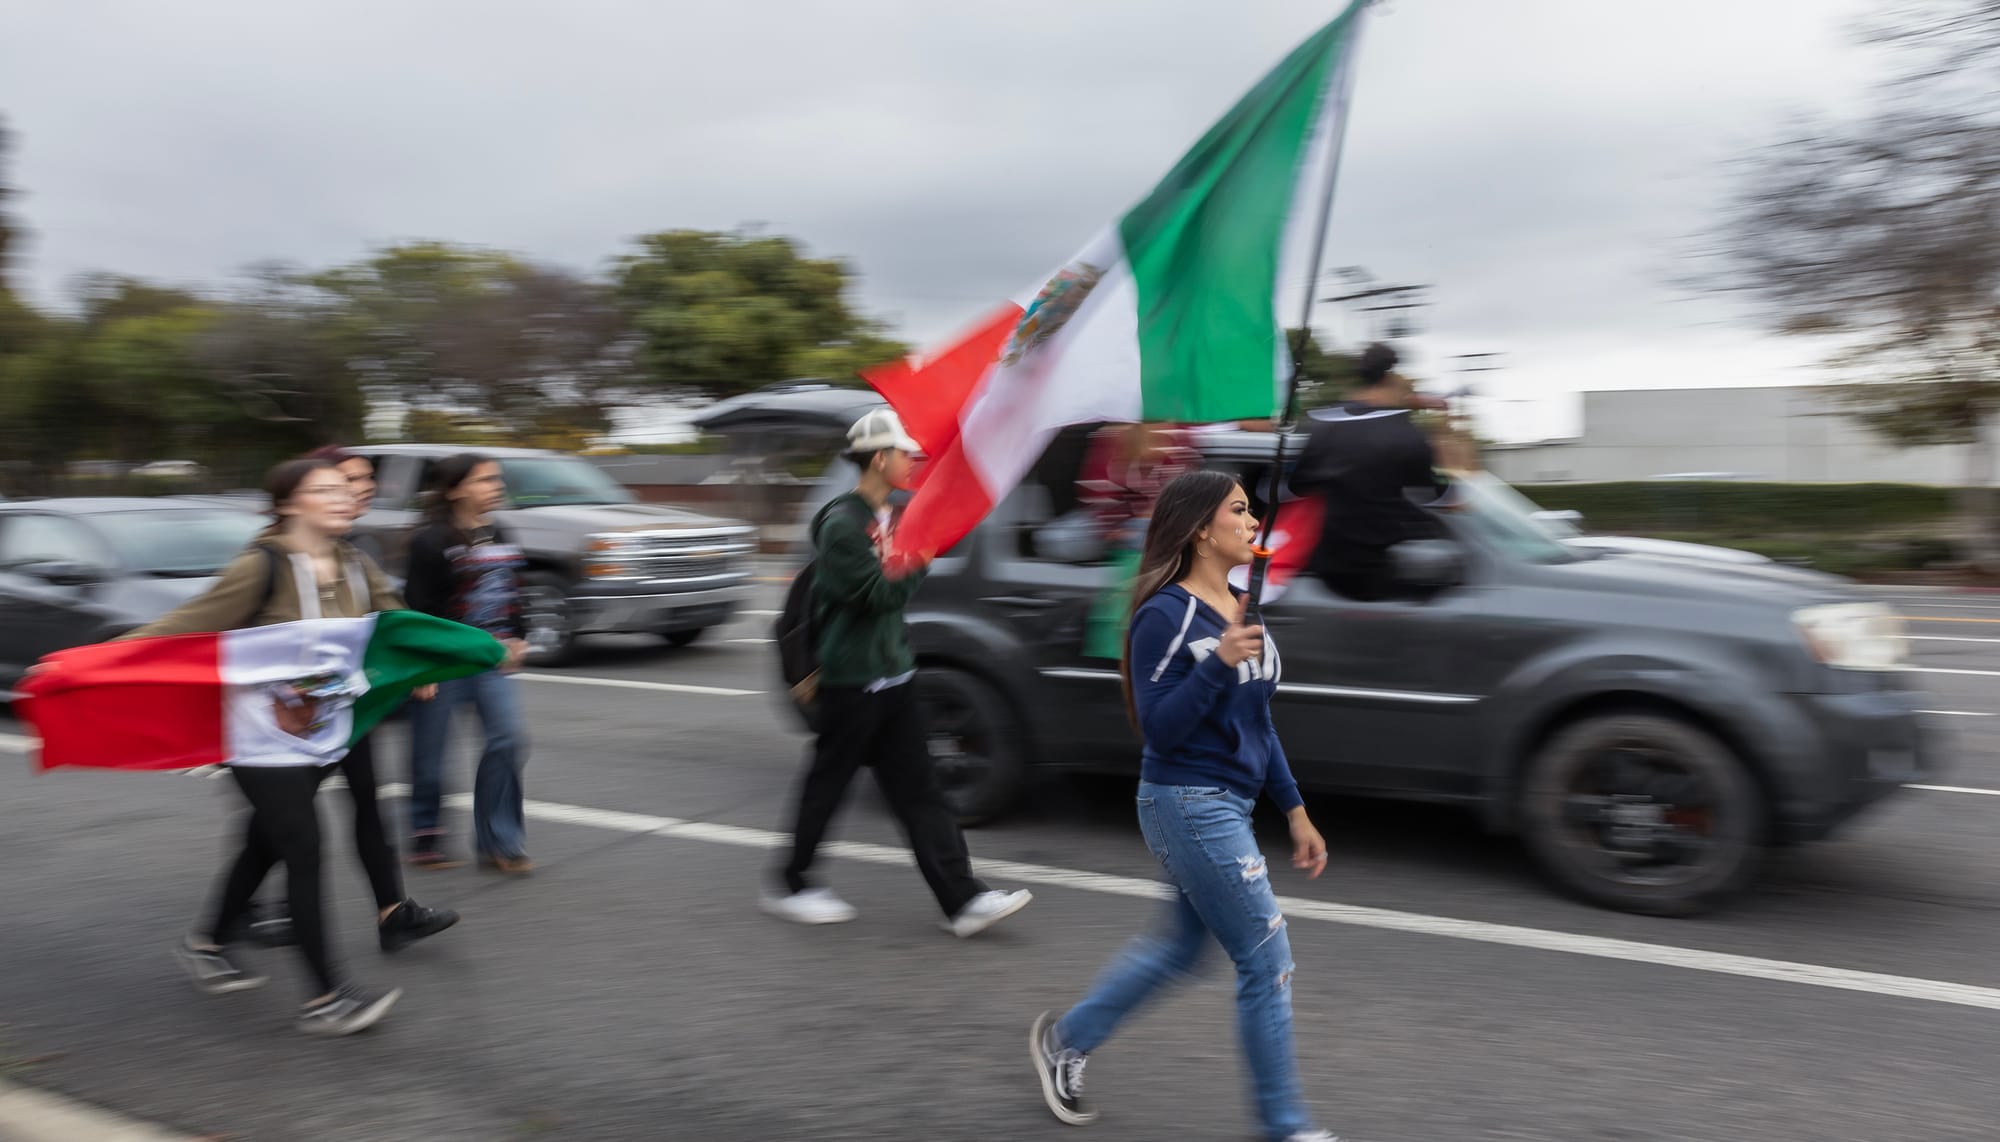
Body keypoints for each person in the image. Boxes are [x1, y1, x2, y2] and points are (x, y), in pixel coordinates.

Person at [1031, 470, 1339, 1142]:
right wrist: (1217, 661)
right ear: (1202, 528)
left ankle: (1067, 1039)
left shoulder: (1241, 606)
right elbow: (1159, 726)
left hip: (1227, 801)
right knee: (1266, 959)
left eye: (1253, 511)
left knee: (1180, 949)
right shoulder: (1163, 615)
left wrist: (1294, 809)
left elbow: (1256, 721)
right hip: (1185, 800)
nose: (1254, 522)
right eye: (1239, 510)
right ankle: (1286, 1128)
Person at [139, 458, 438, 1035]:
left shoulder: (355, 562)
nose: (345, 497)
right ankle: (326, 998)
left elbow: (395, 618)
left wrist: (433, 656)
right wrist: (88, 663)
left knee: (266, 844)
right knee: (304, 847)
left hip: (322, 730)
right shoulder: (263, 566)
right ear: (287, 504)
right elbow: (185, 624)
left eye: (346, 488)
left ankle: (206, 942)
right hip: (258, 740)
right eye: (324, 490)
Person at [763, 409, 1032, 937]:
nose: (912, 463)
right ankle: (792, 884)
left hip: (894, 676)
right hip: (852, 681)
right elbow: (876, 596)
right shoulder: (842, 526)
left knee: (921, 792)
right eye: (905, 454)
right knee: (828, 787)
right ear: (880, 458)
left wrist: (918, 541)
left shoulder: (883, 515)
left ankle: (962, 901)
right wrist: (919, 557)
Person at [243, 445, 457, 953]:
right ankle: (235, 918)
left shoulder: (355, 553)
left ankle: (391, 912)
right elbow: (221, 629)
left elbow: (390, 614)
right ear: (303, 496)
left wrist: (421, 662)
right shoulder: (269, 554)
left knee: (364, 802)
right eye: (345, 481)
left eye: (363, 480)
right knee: (279, 829)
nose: (362, 489)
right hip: (282, 718)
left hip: (341, 705)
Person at [403, 453, 533, 874]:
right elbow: (418, 610)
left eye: (497, 479)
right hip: (443, 662)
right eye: (483, 480)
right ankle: (426, 831)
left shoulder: (502, 531)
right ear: (455, 488)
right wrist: (421, 668)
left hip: (490, 657)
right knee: (431, 755)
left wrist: (519, 635)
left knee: (509, 740)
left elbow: (515, 590)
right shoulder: (430, 540)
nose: (495, 486)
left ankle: (499, 841)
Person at [1290, 342, 1466, 602]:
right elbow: (1449, 500)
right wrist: (1444, 422)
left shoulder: (1319, 425)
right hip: (1384, 583)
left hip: (1323, 576)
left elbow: (1293, 488)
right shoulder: (1406, 435)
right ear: (1391, 378)